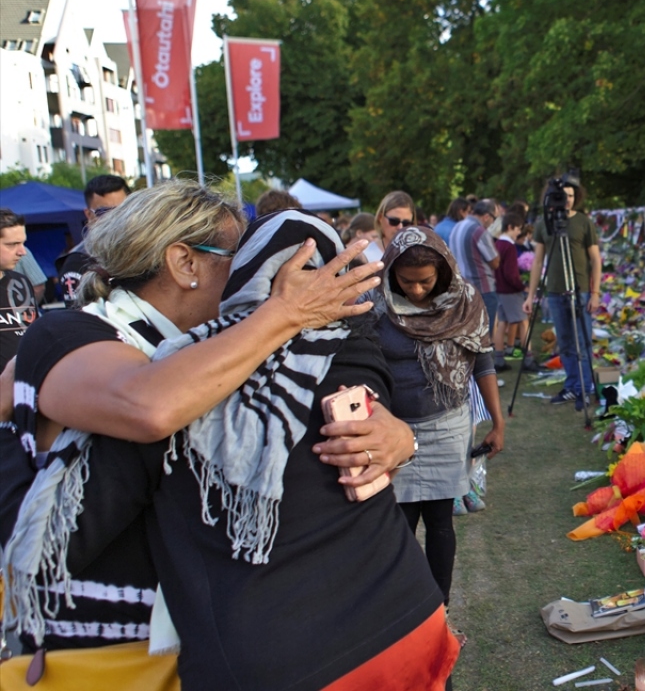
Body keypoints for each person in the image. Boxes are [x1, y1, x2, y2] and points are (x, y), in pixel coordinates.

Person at [3, 204, 452, 690]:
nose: (259, 268)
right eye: (237, 254)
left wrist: (397, 437)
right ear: (184, 264)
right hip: (106, 657)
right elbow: (152, 408)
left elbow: (357, 386)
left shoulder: (252, 359)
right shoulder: (77, 333)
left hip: (214, 647)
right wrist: (284, 315)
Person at [371, 225, 503, 628]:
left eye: (425, 281)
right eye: (405, 281)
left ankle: (438, 607)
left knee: (440, 521)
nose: (414, 291)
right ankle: (406, 604)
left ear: (442, 271)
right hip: (396, 431)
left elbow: (481, 361)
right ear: (390, 270)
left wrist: (498, 422)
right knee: (402, 522)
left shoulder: (464, 302)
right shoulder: (375, 305)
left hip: (447, 424)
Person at [522, 177, 602, 410]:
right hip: (555, 292)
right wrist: (530, 295)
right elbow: (537, 261)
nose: (567, 200)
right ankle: (572, 386)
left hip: (580, 291)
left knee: (583, 343)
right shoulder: (544, 223)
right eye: (562, 196)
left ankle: (585, 388)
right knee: (565, 342)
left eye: (571, 195)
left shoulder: (583, 222)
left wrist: (595, 292)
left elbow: (596, 259)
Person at [56, 173, 130, 301]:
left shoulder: (147, 249)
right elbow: (79, 317)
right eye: (104, 213)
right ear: (89, 215)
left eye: (123, 210)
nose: (115, 218)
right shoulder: (78, 261)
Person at [448, 199, 502, 367]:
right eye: (494, 218)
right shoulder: (479, 231)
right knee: (485, 337)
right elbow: (494, 262)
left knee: (467, 336)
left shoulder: (457, 226)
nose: (493, 223)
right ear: (486, 216)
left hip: (462, 288)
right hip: (483, 289)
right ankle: (486, 375)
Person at [0, 209, 40, 369]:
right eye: (12, 244)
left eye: (23, 243)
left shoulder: (21, 283)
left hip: (27, 385)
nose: (22, 252)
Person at [493, 212, 528, 363]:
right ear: (510, 227)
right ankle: (529, 357)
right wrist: (521, 286)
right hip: (510, 290)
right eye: (518, 229)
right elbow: (510, 273)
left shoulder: (497, 244)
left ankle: (499, 357)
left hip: (499, 289)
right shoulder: (509, 247)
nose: (519, 232)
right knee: (523, 321)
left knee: (502, 322)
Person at [375, 191, 418, 261]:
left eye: (406, 223)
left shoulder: (418, 255)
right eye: (394, 221)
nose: (400, 227)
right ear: (380, 218)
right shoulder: (365, 256)